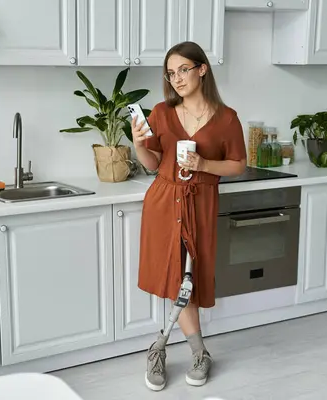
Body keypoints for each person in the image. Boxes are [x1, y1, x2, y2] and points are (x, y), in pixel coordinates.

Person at [131, 41, 247, 391]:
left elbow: (238, 164)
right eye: (170, 73)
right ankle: (192, 353)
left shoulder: (227, 118)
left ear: (202, 69)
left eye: (183, 69)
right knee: (174, 282)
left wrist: (204, 165)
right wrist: (138, 144)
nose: (176, 78)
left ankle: (163, 348)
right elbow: (152, 163)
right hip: (164, 202)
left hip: (200, 203)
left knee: (188, 283)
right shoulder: (161, 112)